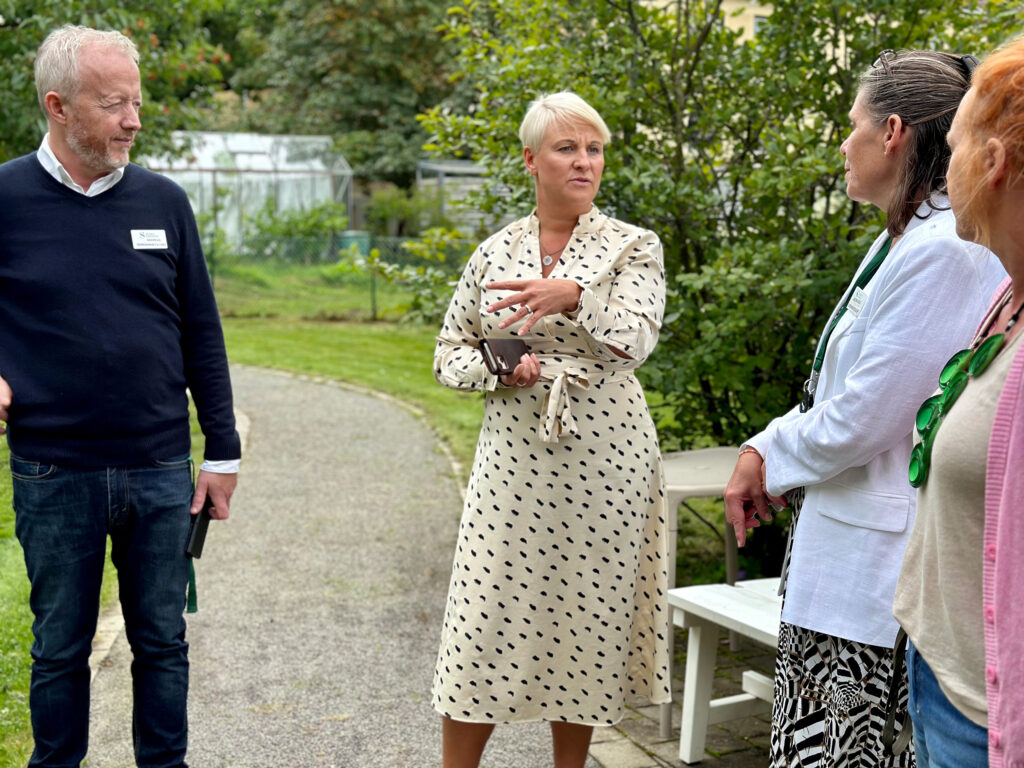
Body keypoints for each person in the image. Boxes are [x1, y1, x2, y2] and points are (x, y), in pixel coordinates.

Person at [723, 50, 1005, 767]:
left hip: (877, 578)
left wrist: (766, 452)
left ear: (893, 132)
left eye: (851, 126)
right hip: (850, 549)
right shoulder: (908, 236)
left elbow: (866, 414)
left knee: (844, 753)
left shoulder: (945, 248)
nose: (842, 145)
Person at [0, 25, 240, 768]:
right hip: (52, 470)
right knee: (59, 649)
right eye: (114, 105)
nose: (134, 119)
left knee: (162, 643)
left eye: (135, 102)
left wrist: (222, 451)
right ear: (58, 107)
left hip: (160, 469)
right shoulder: (5, 197)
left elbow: (201, 331)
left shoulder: (164, 202)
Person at [431, 92, 669, 768]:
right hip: (513, 457)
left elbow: (635, 341)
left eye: (594, 149)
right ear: (532, 160)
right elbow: (450, 350)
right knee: (482, 617)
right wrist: (500, 368)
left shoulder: (631, 246)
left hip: (607, 456)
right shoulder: (494, 250)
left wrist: (578, 298)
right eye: (568, 148)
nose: (585, 162)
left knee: (585, 617)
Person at [892, 36, 1024, 768]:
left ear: (993, 162)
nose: (945, 166)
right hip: (946, 676)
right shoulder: (1008, 295)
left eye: (956, 142)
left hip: (990, 720)